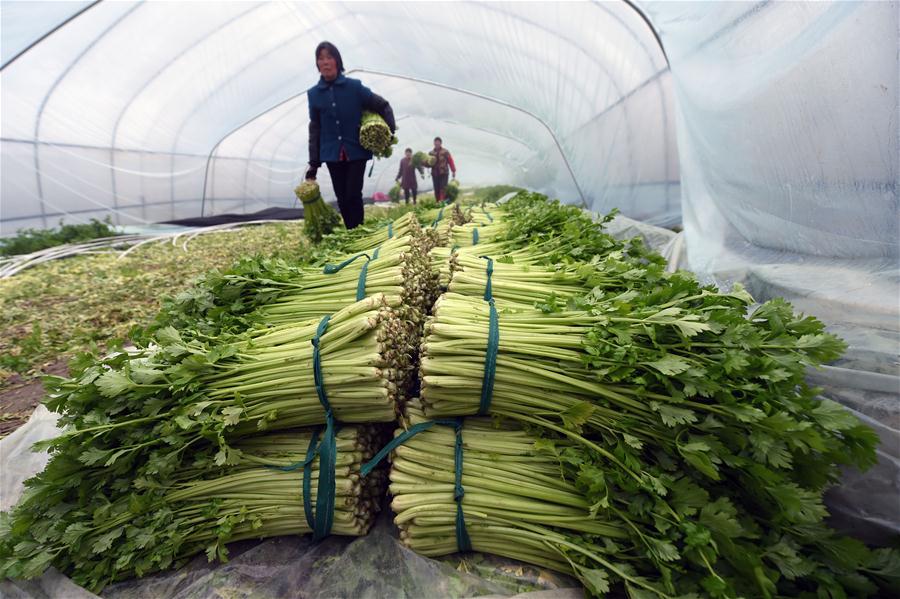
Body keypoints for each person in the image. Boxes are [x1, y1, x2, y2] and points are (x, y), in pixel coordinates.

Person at [304, 41, 396, 229]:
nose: (325, 62)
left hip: (356, 150)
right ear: (317, 64)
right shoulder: (314, 94)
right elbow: (315, 128)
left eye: (329, 57)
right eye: (321, 59)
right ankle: (351, 231)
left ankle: (358, 229)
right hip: (332, 153)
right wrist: (313, 163)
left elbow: (382, 105)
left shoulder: (354, 87)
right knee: (342, 197)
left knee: (353, 194)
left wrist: (387, 133)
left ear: (337, 61)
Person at [428, 137, 456, 202]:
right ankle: (437, 201)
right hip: (435, 174)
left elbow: (450, 161)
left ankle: (442, 201)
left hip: (444, 173)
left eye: (438, 142)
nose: (436, 143)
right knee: (436, 189)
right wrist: (423, 163)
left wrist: (453, 170)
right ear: (434, 143)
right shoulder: (431, 153)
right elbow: (428, 164)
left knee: (443, 188)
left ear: (440, 143)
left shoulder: (445, 151)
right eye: (435, 142)